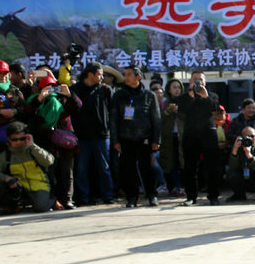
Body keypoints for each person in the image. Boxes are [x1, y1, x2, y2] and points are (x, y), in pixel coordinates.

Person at [26, 74, 80, 210]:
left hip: (64, 142)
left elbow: (78, 106)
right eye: (47, 88)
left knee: (67, 172)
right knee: (48, 172)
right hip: (45, 142)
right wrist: (40, 98)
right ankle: (52, 201)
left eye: (54, 87)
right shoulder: (36, 101)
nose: (51, 90)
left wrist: (70, 95)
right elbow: (28, 112)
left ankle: (67, 199)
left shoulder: (63, 99)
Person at [110, 66, 161, 208]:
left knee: (148, 169)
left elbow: (156, 118)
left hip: (145, 137)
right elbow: (113, 120)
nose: (125, 77)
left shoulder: (148, 95)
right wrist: (115, 140)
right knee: (128, 169)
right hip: (126, 137)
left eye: (129, 75)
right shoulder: (119, 95)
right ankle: (131, 198)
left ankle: (152, 195)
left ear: (138, 77)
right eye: (125, 75)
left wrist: (156, 139)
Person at [71, 61, 116, 205]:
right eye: (99, 75)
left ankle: (107, 196)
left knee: (104, 168)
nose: (102, 78)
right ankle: (83, 198)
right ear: (90, 74)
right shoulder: (75, 89)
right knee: (82, 169)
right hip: (81, 136)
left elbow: (112, 112)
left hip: (101, 136)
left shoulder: (105, 90)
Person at [0, 122, 54, 213]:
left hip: (39, 186)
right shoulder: (5, 156)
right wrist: (7, 178)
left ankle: (53, 201)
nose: (18, 142)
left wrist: (33, 146)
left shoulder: (33, 150)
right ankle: (11, 205)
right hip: (19, 189)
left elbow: (49, 162)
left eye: (22, 139)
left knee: (41, 207)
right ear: (8, 139)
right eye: (14, 139)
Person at [178, 70, 222, 206]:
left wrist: (205, 96)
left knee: (212, 167)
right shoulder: (185, 96)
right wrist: (191, 94)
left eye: (201, 80)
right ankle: (191, 196)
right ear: (190, 82)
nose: (198, 82)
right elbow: (182, 109)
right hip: (190, 135)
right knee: (190, 167)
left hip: (208, 134)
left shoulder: (212, 95)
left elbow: (214, 108)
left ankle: (213, 196)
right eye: (195, 80)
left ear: (205, 82)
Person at [226, 126, 255, 202]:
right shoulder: (237, 147)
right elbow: (232, 168)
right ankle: (239, 195)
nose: (250, 138)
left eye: (252, 136)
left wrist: (249, 155)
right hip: (243, 178)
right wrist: (234, 151)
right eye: (247, 136)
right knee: (231, 174)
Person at [160, 78, 186, 196]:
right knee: (172, 162)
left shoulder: (186, 102)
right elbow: (160, 119)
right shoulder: (164, 103)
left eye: (179, 87)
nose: (177, 90)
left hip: (182, 136)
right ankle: (175, 186)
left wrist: (179, 111)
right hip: (169, 137)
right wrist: (168, 111)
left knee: (183, 162)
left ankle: (183, 186)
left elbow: (189, 118)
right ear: (169, 90)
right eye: (174, 87)